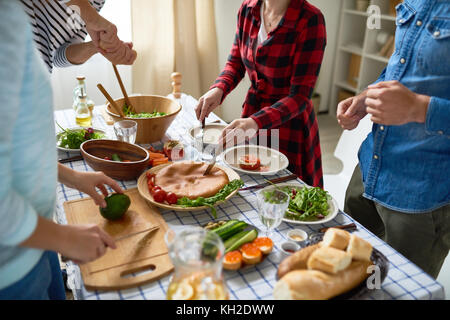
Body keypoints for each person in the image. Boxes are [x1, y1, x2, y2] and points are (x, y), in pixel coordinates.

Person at [0, 0, 123, 299]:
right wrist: (63, 237)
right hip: (11, 265)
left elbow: (15, 154)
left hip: (35, 238)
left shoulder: (13, 17)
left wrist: (72, 177)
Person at [337, 0, 450, 278]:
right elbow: (402, 66)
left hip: (420, 198)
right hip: (369, 170)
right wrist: (367, 97)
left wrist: (417, 107)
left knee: (399, 289)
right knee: (347, 273)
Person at [195, 0, 326, 187]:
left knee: (285, 196)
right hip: (251, 118)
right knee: (250, 187)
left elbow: (300, 97)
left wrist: (255, 123)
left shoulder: (311, 20)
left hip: (290, 126)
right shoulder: (247, 9)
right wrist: (218, 89)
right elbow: (235, 63)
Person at [20, 0, 137, 73]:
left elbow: (56, 57)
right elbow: (91, 18)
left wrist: (98, 46)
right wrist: (91, 17)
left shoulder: (98, 2)